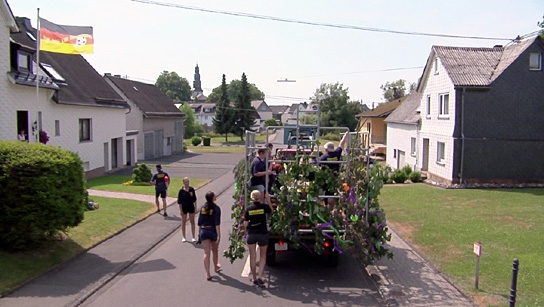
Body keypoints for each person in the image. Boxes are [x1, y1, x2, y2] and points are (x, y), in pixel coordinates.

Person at [244, 190, 273, 288]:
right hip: (262, 233)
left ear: (251, 198)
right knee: (262, 256)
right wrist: (268, 200)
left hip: (252, 234)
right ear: (260, 197)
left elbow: (245, 223)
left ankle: (254, 278)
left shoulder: (248, 209)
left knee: (252, 256)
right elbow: (272, 211)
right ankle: (260, 276)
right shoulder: (263, 207)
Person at [319, 132, 349, 207]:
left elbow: (316, 164)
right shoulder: (337, 153)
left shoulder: (323, 158)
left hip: (326, 179)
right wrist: (346, 135)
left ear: (326, 149)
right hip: (335, 177)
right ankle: (332, 209)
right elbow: (341, 144)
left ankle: (327, 208)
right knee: (331, 193)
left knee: (326, 193)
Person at [197, 191, 222, 281]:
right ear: (212, 198)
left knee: (206, 252)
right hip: (212, 231)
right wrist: (219, 235)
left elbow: (199, 222)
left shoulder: (202, 208)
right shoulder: (216, 208)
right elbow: (217, 223)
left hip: (204, 230)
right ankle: (215, 266)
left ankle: (207, 273)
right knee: (215, 250)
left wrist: (199, 233)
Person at [177, 177, 197, 242]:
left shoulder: (191, 189)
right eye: (185, 182)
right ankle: (184, 236)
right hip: (184, 207)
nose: (187, 183)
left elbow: (195, 199)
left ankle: (193, 236)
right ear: (183, 182)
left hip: (191, 207)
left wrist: (196, 208)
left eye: (188, 181)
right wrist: (181, 210)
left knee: (192, 221)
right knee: (183, 222)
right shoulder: (181, 191)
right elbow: (179, 202)